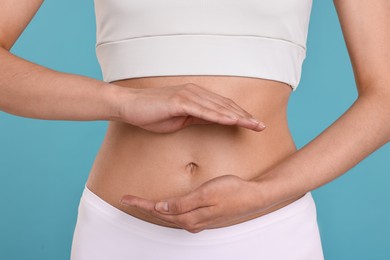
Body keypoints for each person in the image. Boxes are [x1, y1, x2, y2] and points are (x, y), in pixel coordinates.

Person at [1, 0, 389, 259]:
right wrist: (124, 102)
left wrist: (264, 193)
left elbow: (385, 98)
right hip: (121, 231)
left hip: (268, 229)